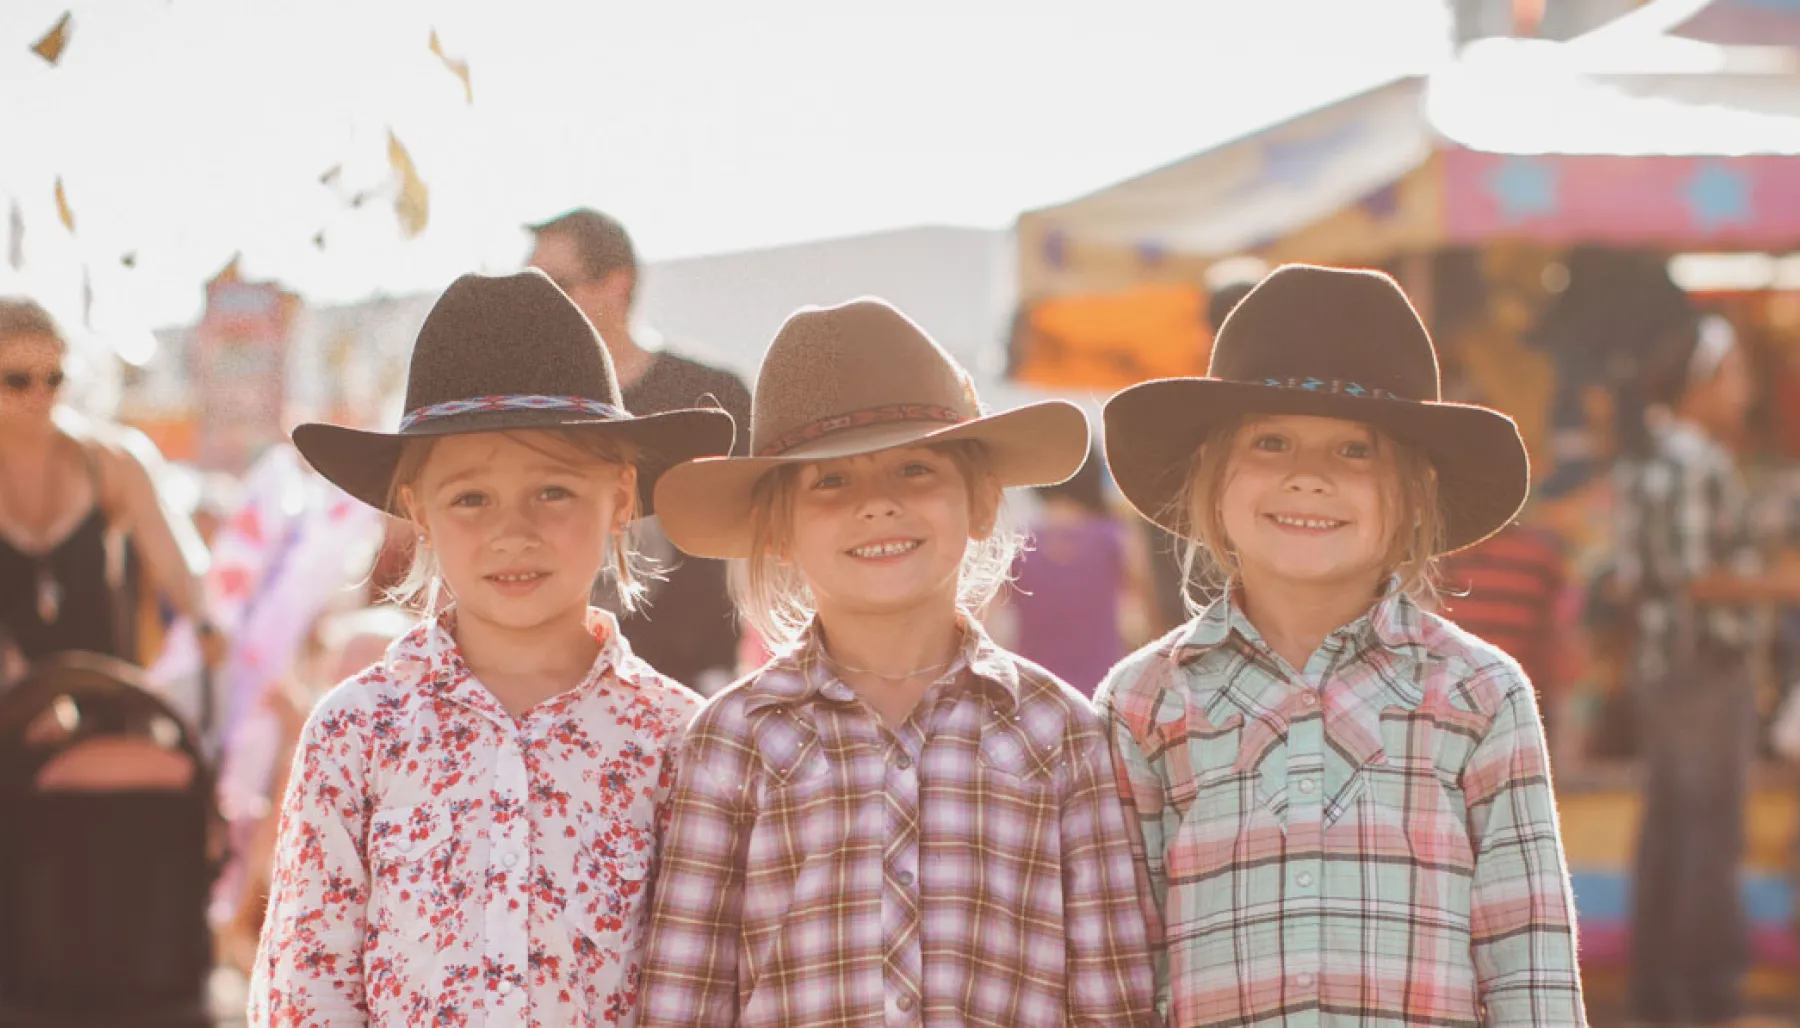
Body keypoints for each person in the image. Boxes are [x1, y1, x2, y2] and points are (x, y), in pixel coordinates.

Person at [638, 299, 1156, 1025]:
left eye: (915, 468)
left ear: (980, 502)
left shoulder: (1061, 734)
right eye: (830, 480)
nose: (877, 504)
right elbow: (682, 1002)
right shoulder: (731, 742)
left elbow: (1114, 1000)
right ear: (778, 528)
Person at [1098, 264, 1585, 1025]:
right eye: (1272, 442)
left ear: (1414, 494)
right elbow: (1120, 968)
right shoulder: (1143, 701)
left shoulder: (1479, 694)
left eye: (1355, 451)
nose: (1309, 477)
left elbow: (1531, 963)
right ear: (1211, 478)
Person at [247, 271, 734, 1026]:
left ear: (622, 498)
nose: (515, 530)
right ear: (418, 509)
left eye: (555, 491)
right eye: (472, 497)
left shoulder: (683, 739)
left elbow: (708, 989)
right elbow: (307, 983)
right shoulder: (357, 731)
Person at [1612, 313, 1799, 1026]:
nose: (1746, 389)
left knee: (1670, 833)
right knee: (1707, 837)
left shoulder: (1651, 458)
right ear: (1703, 383)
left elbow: (1642, 580)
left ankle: (1660, 995)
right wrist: (1782, 584)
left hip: (1667, 670)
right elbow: (1695, 577)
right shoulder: (1698, 463)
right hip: (1703, 670)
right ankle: (1701, 998)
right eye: (1737, 374)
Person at [528, 208, 752, 694]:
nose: (539, 306)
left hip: (696, 684)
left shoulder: (710, 394)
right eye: (530, 289)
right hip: (567, 689)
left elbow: (765, 535)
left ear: (617, 284)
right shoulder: (529, 414)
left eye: (558, 285)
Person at [0, 297, 221, 669]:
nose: (40, 394)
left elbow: (179, 566)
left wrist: (204, 623)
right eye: (17, 381)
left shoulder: (113, 461)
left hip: (109, 701)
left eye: (54, 378)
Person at [1000, 448, 1152, 695]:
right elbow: (1144, 614)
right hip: (1102, 688)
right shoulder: (1114, 538)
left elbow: (989, 623)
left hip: (1033, 692)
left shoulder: (1018, 544)